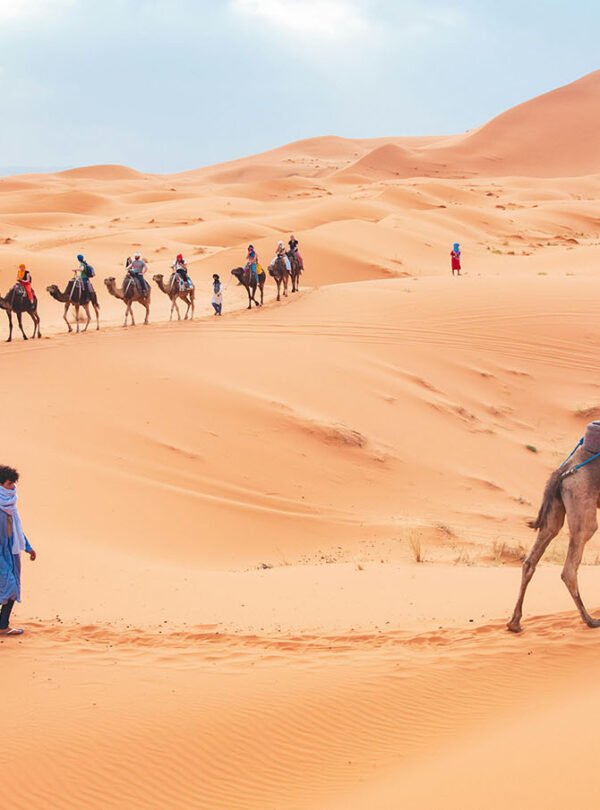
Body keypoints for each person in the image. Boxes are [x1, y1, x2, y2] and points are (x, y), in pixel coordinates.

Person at [0, 465, 36, 637]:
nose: (13, 487)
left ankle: (2, 626)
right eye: (9, 483)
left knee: (11, 588)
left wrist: (28, 548)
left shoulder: (10, 506)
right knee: (10, 587)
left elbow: (16, 530)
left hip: (11, 553)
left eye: (14, 483)